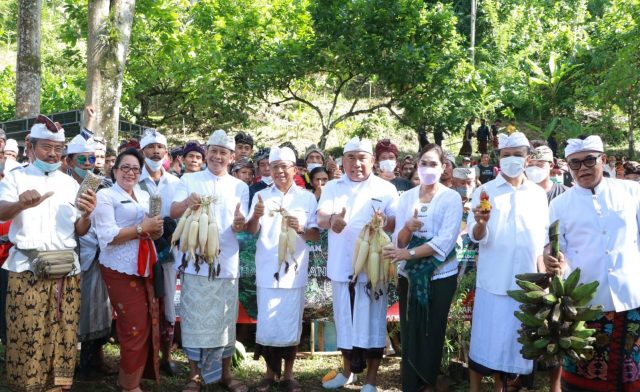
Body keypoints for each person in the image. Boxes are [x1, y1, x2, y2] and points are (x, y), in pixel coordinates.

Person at [0, 115, 97, 392]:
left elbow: (79, 229)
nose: (54, 154)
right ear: (30, 147)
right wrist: (19, 204)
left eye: (58, 148)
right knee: (26, 334)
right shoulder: (15, 178)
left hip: (67, 270)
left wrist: (88, 214)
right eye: (46, 147)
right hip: (26, 268)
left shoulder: (70, 183)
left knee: (64, 334)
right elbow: (0, 212)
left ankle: (58, 387)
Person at [543, 136, 640, 392]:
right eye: (575, 164)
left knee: (631, 376)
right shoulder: (559, 204)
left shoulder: (632, 192)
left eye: (589, 160)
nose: (582, 168)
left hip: (631, 297)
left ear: (604, 160)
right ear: (567, 166)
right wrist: (550, 257)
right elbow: (553, 247)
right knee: (583, 378)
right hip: (585, 303)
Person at [466, 132, 548, 392]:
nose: (512, 159)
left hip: (528, 283)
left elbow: (542, 239)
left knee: (520, 347)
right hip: (494, 281)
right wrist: (481, 224)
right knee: (488, 344)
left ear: (527, 158)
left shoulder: (537, 194)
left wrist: (545, 278)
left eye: (518, 155)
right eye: (506, 155)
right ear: (498, 158)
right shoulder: (484, 191)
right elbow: (476, 236)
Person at [170, 129, 249, 392]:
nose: (217, 156)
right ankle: (194, 376)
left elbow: (243, 225)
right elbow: (172, 212)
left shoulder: (240, 186)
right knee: (193, 320)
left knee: (224, 321)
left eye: (223, 152)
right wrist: (186, 203)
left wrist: (240, 223)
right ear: (207, 152)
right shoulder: (189, 180)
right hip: (194, 262)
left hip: (225, 263)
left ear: (231, 157)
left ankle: (224, 374)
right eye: (213, 151)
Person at [317, 137, 398, 392]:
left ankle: (371, 380)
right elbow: (320, 217)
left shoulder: (386, 189)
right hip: (342, 266)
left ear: (372, 161)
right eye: (350, 157)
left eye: (362, 158)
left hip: (373, 269)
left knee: (373, 324)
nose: (356, 164)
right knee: (345, 323)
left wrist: (383, 221)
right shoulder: (332, 187)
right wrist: (332, 220)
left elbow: (395, 223)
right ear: (343, 160)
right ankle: (348, 372)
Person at [383, 144, 462, 392]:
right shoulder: (406, 197)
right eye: (423, 163)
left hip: (439, 275)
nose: (427, 168)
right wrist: (407, 227)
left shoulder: (451, 197)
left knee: (432, 327)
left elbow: (445, 241)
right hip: (410, 275)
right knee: (411, 327)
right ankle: (411, 383)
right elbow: (398, 240)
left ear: (443, 167)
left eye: (433, 163)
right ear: (417, 166)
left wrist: (410, 253)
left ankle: (428, 381)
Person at [246, 146, 320, 392]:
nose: (279, 171)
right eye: (274, 166)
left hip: (294, 271)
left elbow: (315, 236)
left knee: (290, 322)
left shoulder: (307, 197)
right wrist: (255, 216)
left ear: (295, 170)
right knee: (268, 323)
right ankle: (269, 375)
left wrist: (300, 228)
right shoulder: (261, 195)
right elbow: (250, 230)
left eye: (284, 166)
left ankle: (288, 375)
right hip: (268, 266)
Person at [94, 148, 164, 392]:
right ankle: (130, 386)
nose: (130, 172)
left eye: (135, 169)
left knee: (147, 322)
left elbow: (153, 229)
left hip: (145, 265)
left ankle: (129, 379)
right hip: (120, 267)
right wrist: (141, 229)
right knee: (133, 326)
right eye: (125, 167)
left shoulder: (144, 195)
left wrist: (155, 229)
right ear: (114, 171)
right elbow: (107, 235)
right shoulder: (105, 195)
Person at [65, 134, 115, 379]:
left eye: (91, 159)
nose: (87, 163)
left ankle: (94, 359)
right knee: (74, 310)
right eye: (82, 159)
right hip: (69, 253)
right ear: (70, 161)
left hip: (97, 252)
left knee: (98, 309)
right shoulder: (61, 184)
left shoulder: (103, 184)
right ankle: (69, 361)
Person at [136, 129, 183, 376]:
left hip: (168, 251)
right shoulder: (132, 180)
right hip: (138, 248)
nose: (155, 151)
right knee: (143, 302)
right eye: (150, 147)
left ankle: (166, 356)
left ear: (166, 151)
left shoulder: (176, 183)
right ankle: (144, 357)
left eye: (160, 147)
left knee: (167, 305)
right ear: (143, 152)